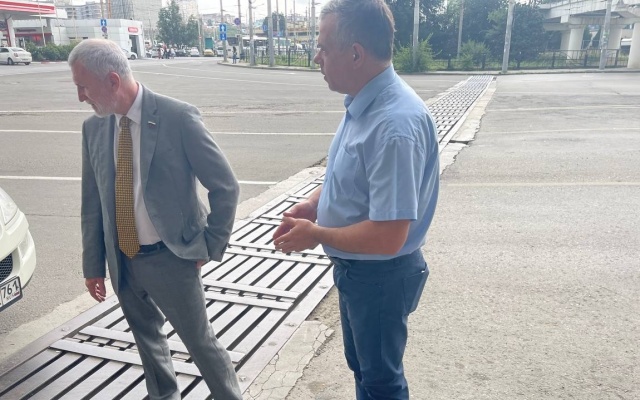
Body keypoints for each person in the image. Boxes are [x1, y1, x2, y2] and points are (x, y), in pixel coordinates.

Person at [272, 0, 439, 399]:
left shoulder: (393, 124)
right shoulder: (365, 105)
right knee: (365, 370)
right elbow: (350, 177)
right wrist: (315, 204)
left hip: (379, 276)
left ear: (356, 54)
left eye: (323, 47)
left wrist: (316, 233)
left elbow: (388, 236)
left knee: (381, 382)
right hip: (362, 272)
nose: (317, 57)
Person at [68, 39, 242, 400]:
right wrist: (93, 266)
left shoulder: (178, 117)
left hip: (171, 258)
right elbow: (92, 203)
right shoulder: (94, 128)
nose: (81, 97)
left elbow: (225, 186)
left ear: (112, 81)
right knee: (147, 342)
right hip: (123, 260)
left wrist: (210, 245)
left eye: (83, 87)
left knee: (200, 342)